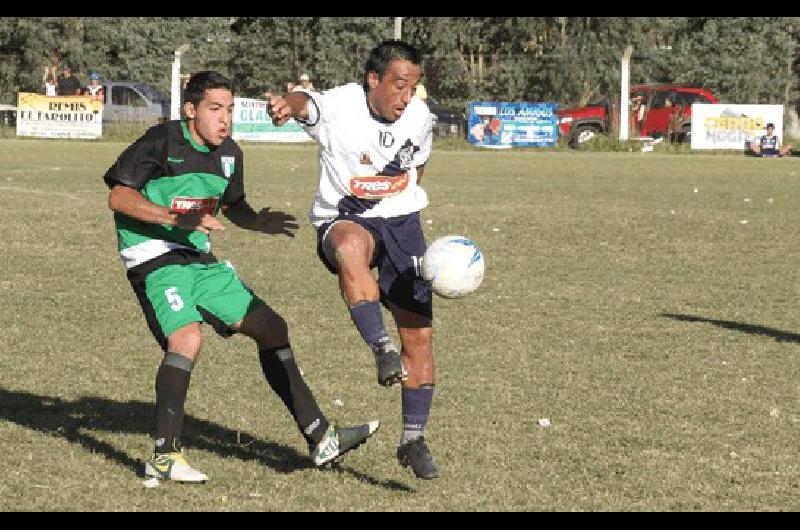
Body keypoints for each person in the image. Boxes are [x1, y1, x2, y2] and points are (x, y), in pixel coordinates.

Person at [102, 71, 379, 483]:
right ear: (191, 110)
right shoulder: (161, 142)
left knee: (271, 327)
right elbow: (118, 196)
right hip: (152, 254)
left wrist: (257, 221)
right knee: (188, 337)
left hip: (197, 255)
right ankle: (164, 454)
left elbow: (232, 208)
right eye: (215, 109)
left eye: (229, 109)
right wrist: (175, 218)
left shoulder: (230, 153)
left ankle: (321, 437)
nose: (225, 119)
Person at [265, 40, 441, 479]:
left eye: (414, 87)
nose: (407, 97)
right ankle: (381, 349)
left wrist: (399, 199)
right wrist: (288, 103)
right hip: (343, 220)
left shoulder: (420, 119)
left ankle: (412, 439)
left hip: (403, 225)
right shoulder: (341, 104)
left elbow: (416, 168)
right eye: (399, 85)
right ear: (374, 79)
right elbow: (307, 105)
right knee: (349, 246)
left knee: (418, 338)